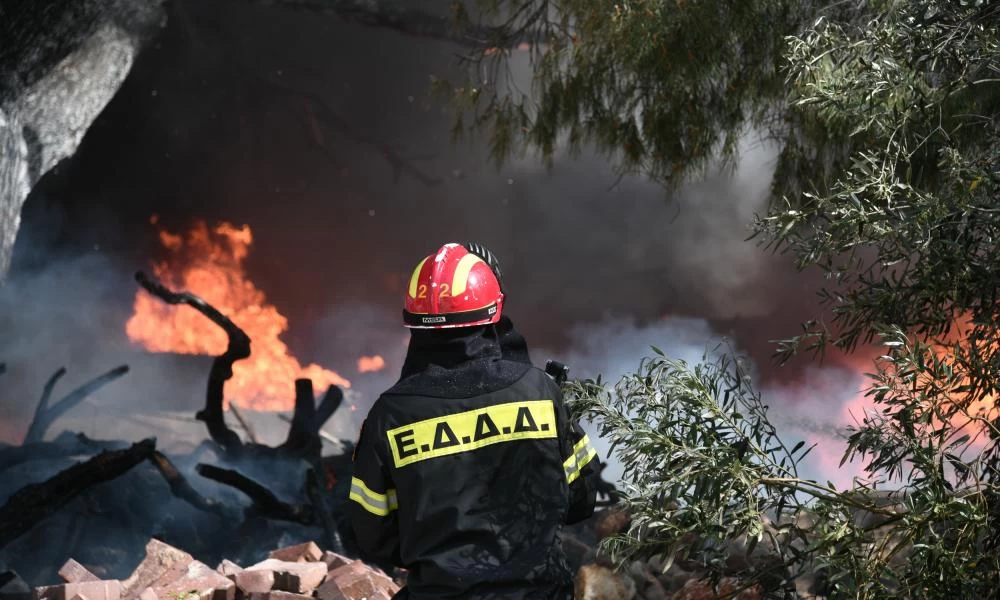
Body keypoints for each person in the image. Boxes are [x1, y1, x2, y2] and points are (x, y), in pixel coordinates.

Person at [347, 242, 599, 599]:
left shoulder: (390, 415)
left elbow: (373, 537)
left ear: (414, 324)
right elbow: (581, 498)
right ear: (493, 313)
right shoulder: (538, 391)